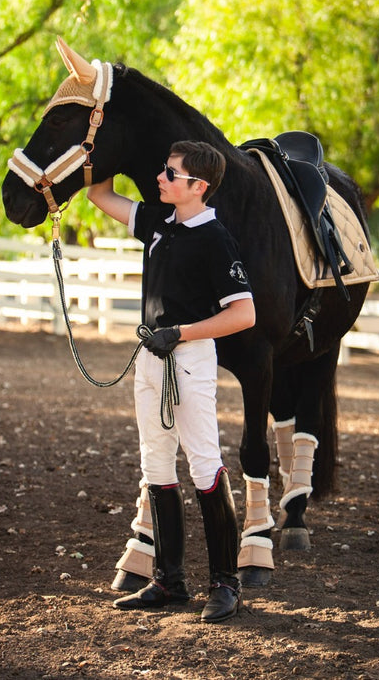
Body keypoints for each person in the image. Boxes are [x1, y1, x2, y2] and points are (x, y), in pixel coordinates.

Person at [87, 140, 256, 623]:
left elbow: (243, 314)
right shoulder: (160, 224)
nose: (160, 178)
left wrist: (181, 332)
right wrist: (104, 143)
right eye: (163, 170)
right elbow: (100, 194)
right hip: (150, 356)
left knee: (204, 465)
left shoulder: (215, 238)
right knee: (156, 465)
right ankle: (169, 580)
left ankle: (225, 583)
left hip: (188, 359)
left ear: (198, 187)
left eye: (170, 173)